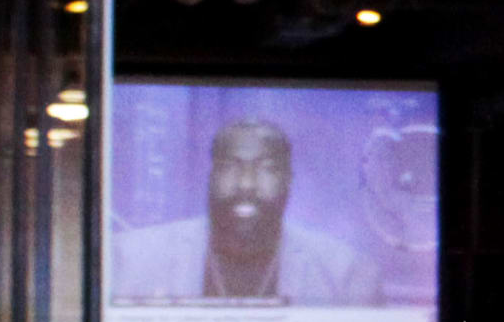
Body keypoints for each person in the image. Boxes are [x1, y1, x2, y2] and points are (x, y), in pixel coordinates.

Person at [115, 116, 381, 304]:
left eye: (266, 169)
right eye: (230, 166)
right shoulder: (128, 259)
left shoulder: (347, 273)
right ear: (210, 176)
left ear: (288, 179)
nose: (246, 184)